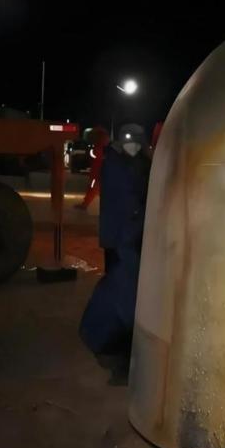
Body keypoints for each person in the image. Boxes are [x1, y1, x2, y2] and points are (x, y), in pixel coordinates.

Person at [79, 123, 151, 383]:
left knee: (122, 287)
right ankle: (119, 361)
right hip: (123, 237)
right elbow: (127, 202)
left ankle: (119, 355)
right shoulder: (115, 164)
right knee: (125, 291)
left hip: (129, 236)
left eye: (137, 142)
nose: (133, 146)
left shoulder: (137, 163)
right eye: (129, 141)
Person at [75, 126, 110, 210]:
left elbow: (94, 157)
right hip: (101, 173)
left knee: (93, 189)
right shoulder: (104, 149)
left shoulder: (96, 149)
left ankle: (85, 205)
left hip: (97, 173)